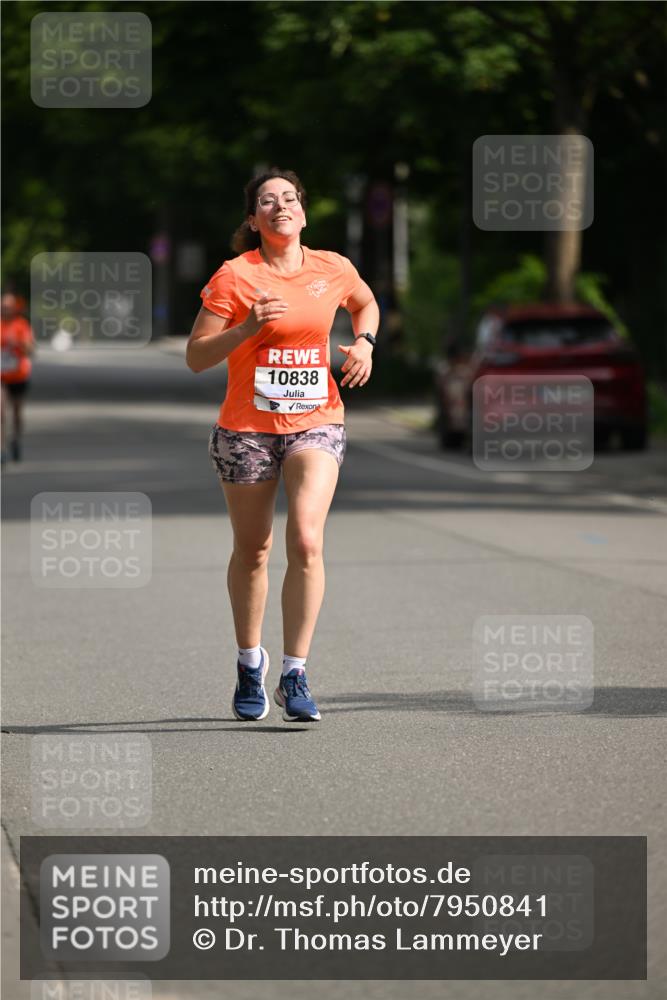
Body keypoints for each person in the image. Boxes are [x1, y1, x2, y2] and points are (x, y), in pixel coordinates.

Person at [187, 169, 379, 723]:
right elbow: (197, 357)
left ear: (303, 212)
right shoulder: (235, 276)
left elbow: (365, 303)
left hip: (316, 420)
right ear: (253, 219)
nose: (280, 206)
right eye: (267, 201)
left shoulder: (333, 267)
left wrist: (364, 342)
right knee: (253, 550)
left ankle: (295, 673)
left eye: (289, 198)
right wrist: (246, 328)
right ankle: (250, 662)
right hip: (246, 429)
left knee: (307, 540)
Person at [1, 293, 35, 464]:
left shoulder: (21, 325)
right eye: (2, 306)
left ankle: (15, 439)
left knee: (16, 412)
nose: (5, 309)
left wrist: (19, 343)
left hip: (18, 375)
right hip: (1, 376)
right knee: (0, 411)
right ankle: (1, 449)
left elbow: (31, 351)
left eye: (8, 307)